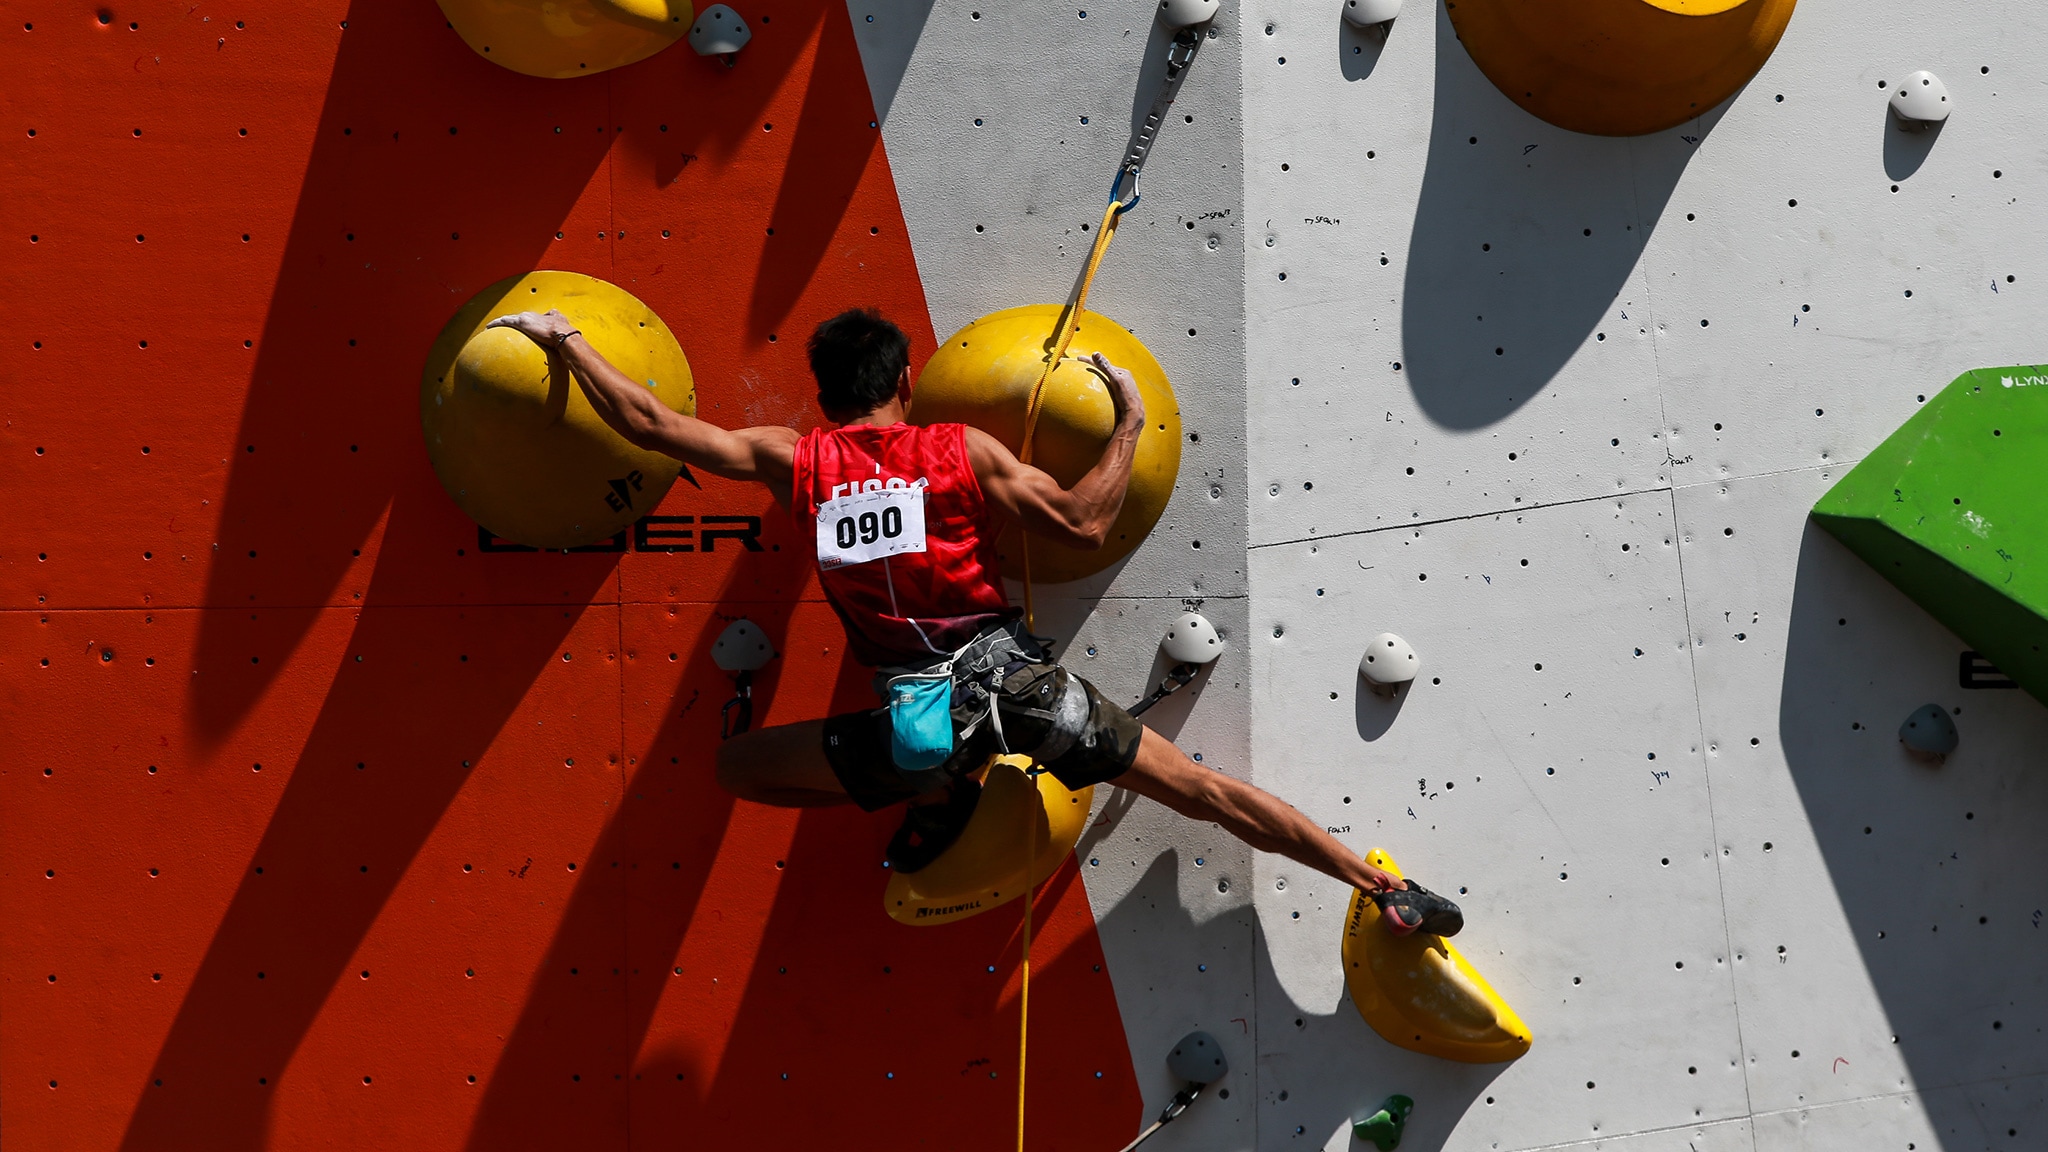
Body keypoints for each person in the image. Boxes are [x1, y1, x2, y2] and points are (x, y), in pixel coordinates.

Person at [487, 306, 1460, 928]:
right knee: (1204, 792)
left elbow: (652, 426)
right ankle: (1382, 889)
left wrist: (561, 338)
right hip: (1029, 694)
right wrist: (1124, 422)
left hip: (920, 726)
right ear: (906, 384)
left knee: (735, 769)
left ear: (823, 399)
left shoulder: (798, 461)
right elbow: (1084, 514)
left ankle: (935, 792)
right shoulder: (960, 453)